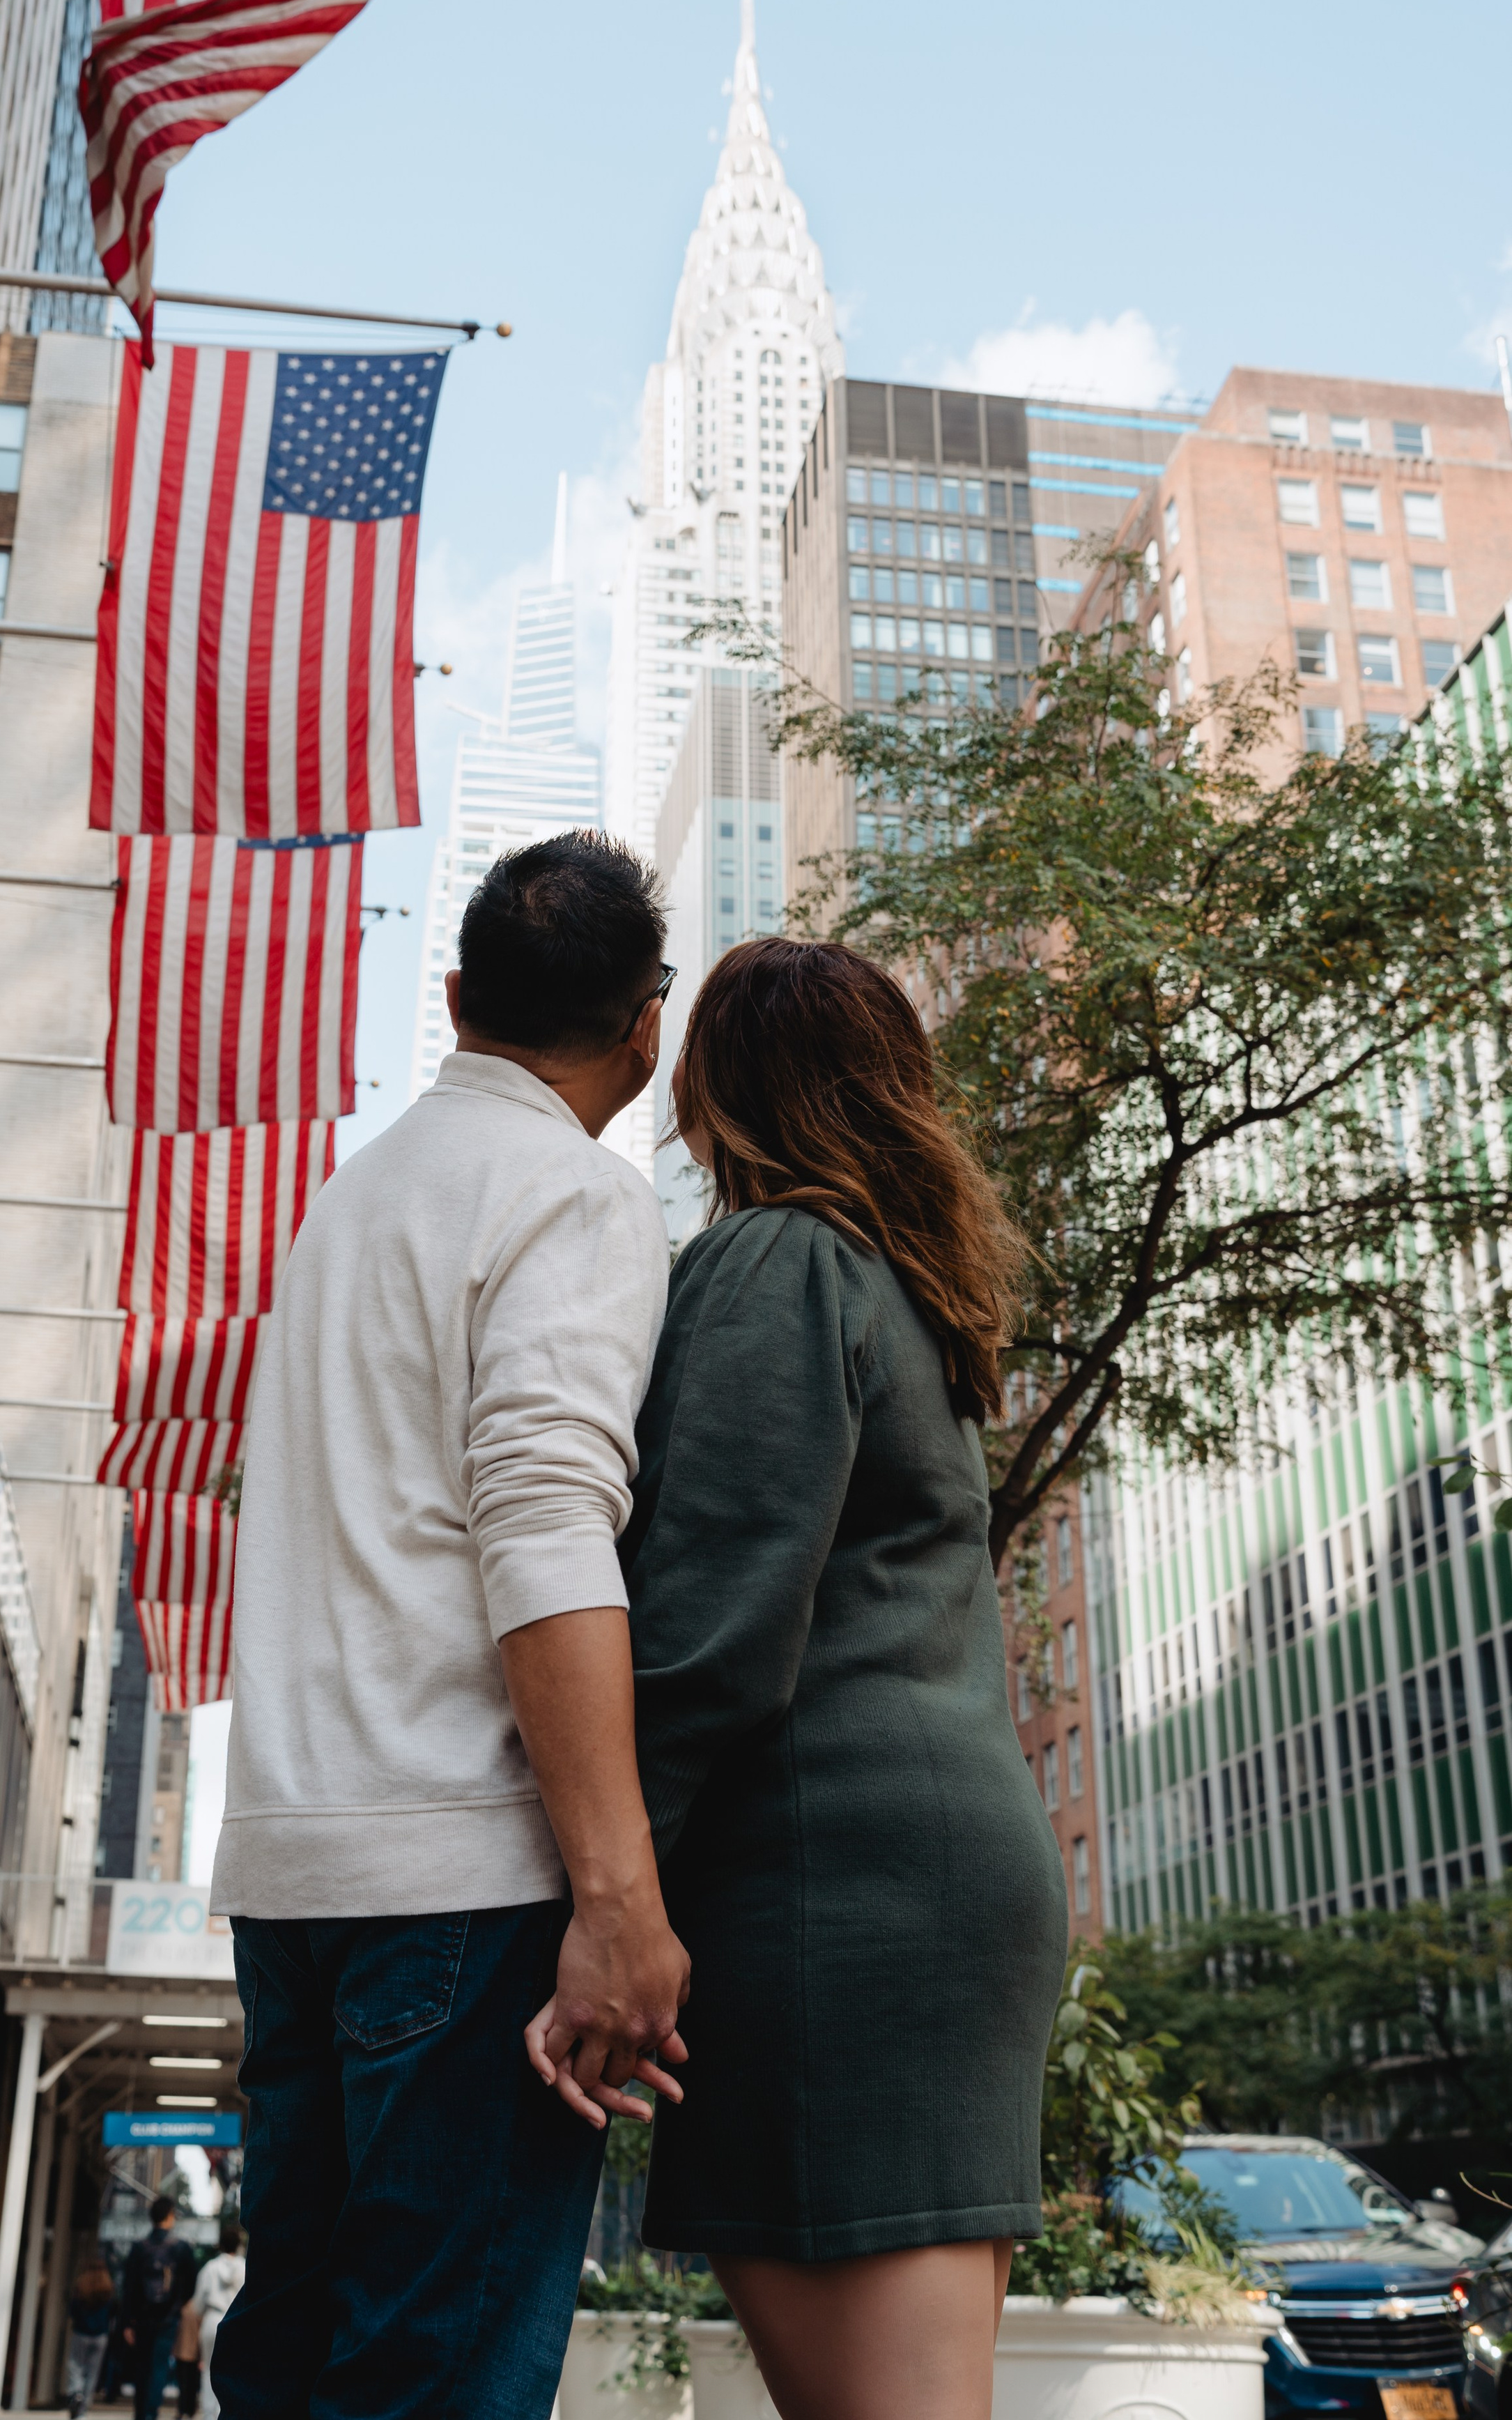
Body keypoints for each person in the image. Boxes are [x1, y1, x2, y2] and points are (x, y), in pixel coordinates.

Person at [210, 832, 689, 2420]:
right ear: (645, 1026)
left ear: (456, 994)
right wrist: (619, 1894)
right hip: (463, 1889)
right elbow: (544, 1516)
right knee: (428, 2384)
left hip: (294, 1877)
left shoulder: (340, 1215)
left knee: (292, 2361)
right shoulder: (572, 1194)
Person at [562, 939, 1068, 2420]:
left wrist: (598, 1895)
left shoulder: (777, 1262)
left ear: (710, 1097)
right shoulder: (903, 1295)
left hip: (837, 1902)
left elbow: (709, 1627)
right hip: (930, 1891)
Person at [119, 2193, 196, 2420]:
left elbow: (129, 2289)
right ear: (170, 2217)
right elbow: (190, 2284)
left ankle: (141, 2414)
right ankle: (151, 2413)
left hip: (141, 2319)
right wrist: (178, 2306)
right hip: (168, 2319)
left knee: (142, 2368)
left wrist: (127, 2322)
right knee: (159, 2368)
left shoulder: (139, 2248)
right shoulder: (181, 2249)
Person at [193, 2225, 245, 2420]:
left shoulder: (210, 2268)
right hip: (235, 2322)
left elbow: (198, 2305)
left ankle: (209, 2415)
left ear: (220, 2245)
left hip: (212, 2319)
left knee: (207, 2369)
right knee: (235, 2370)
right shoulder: (245, 2266)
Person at [65, 2246, 116, 2420]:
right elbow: (113, 2312)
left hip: (81, 2332)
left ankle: (76, 2393)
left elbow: (73, 2310)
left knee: (76, 2366)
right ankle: (84, 2407)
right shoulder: (108, 2288)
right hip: (100, 2335)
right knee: (92, 2372)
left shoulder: (82, 2286)